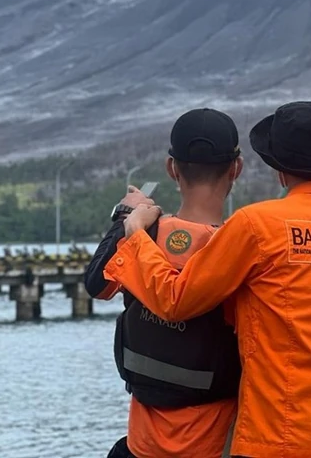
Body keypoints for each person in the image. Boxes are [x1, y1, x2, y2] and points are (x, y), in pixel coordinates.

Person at [103, 101, 311, 458]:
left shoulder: (258, 226)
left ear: (278, 168)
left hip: (275, 437)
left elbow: (175, 300)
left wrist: (134, 233)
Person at [84, 108, 244, 458]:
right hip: (210, 445)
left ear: (172, 168)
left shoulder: (146, 232)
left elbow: (97, 284)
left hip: (141, 447)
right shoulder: (237, 248)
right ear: (236, 168)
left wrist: (126, 219)